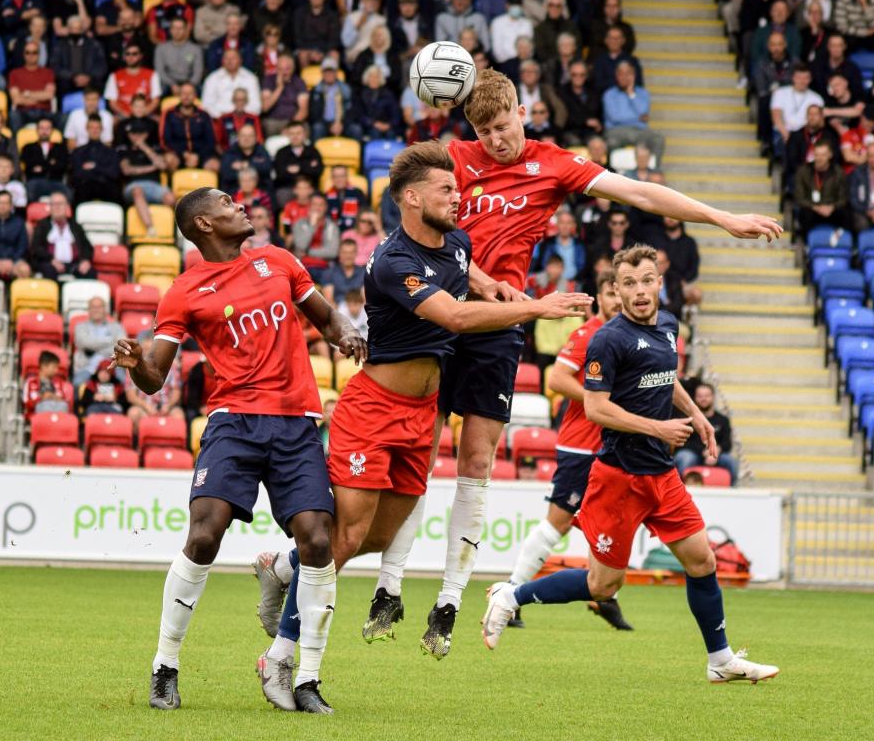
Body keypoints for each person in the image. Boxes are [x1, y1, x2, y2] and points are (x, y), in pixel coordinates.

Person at [363, 69, 782, 656]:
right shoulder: (453, 159)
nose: (496, 140)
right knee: (418, 452)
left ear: (522, 111)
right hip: (442, 315)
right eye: (484, 130)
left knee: (476, 458)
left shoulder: (555, 164)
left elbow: (640, 191)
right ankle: (389, 584)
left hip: (499, 327)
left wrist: (722, 219)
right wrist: (473, 278)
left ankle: (452, 599)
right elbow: (413, 224)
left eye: (504, 126)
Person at [252, 142, 590, 680]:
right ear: (411, 198)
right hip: (373, 408)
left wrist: (495, 285)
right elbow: (453, 316)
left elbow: (468, 273)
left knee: (378, 538)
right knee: (344, 537)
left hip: (419, 413)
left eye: (458, 188)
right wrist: (539, 305)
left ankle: (283, 565)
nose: (459, 197)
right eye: (447, 190)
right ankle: (282, 657)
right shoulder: (392, 261)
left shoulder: (455, 241)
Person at [110, 187, 365, 713]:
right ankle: (165, 665)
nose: (241, 206)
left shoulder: (279, 261)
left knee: (319, 541)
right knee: (204, 534)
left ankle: (307, 679)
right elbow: (155, 377)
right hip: (233, 422)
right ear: (203, 224)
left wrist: (348, 337)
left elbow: (326, 318)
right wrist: (136, 361)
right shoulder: (184, 291)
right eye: (227, 203)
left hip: (296, 422)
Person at [481, 245, 780, 684]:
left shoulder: (668, 326)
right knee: (604, 586)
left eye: (646, 280)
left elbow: (665, 376)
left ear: (659, 282)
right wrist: (658, 429)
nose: (639, 291)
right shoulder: (608, 339)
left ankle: (720, 660)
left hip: (661, 475)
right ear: (615, 291)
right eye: (629, 284)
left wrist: (696, 416)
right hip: (618, 478)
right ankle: (512, 595)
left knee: (702, 561)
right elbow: (598, 409)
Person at [505, 270, 632, 632]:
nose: (618, 302)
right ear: (599, 298)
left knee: (606, 524)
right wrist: (599, 401)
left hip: (608, 446)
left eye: (620, 294)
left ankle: (605, 597)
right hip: (580, 446)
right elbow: (557, 380)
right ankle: (511, 594)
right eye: (610, 294)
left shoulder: (625, 336)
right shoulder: (587, 335)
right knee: (558, 522)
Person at [672, 383, 739, 485]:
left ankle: (732, 493)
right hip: (693, 454)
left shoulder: (723, 420)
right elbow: (681, 443)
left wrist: (716, 450)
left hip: (716, 455)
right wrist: (703, 451)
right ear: (694, 398)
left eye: (707, 396)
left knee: (731, 461)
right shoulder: (688, 419)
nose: (703, 399)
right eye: (700, 396)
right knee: (684, 457)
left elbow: (727, 444)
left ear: (713, 397)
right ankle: (679, 490)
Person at [29, 192, 95, 281]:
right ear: (49, 207)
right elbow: (36, 248)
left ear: (67, 207)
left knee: (89, 272)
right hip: (50, 263)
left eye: (60, 204)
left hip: (73, 264)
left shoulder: (75, 225)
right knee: (49, 270)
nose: (57, 207)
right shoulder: (42, 225)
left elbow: (87, 247)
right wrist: (51, 260)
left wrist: (85, 261)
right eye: (54, 204)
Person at [794, 138, 849, 233]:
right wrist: (816, 207)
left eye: (823, 155)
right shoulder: (803, 171)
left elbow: (843, 198)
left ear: (830, 155)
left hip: (832, 210)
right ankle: (804, 244)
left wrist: (831, 207)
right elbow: (799, 197)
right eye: (816, 155)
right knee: (804, 214)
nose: (819, 158)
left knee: (846, 214)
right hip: (812, 209)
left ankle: (844, 243)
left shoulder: (838, 172)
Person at [73, 297, 124, 386]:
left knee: (125, 383)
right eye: (93, 307)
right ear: (88, 310)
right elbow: (84, 343)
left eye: (99, 307)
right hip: (88, 367)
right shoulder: (80, 327)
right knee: (77, 384)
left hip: (112, 366)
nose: (96, 310)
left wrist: (93, 348)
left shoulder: (117, 327)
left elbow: (121, 347)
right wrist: (110, 341)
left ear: (105, 309)